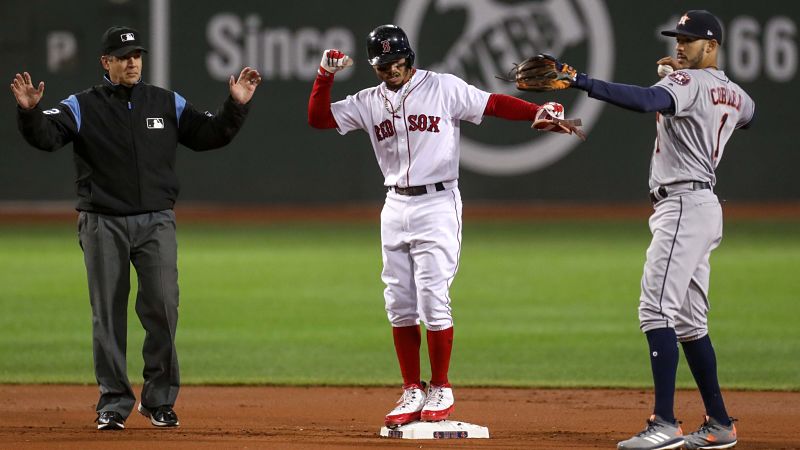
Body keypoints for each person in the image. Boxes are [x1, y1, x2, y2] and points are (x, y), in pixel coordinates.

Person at [308, 24, 577, 428]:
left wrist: (536, 112)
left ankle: (441, 386)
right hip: (394, 204)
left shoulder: (442, 87)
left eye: (398, 61)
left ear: (409, 57)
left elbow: (493, 104)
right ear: (373, 65)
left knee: (433, 296)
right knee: (399, 301)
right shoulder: (368, 101)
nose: (392, 69)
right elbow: (319, 120)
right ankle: (412, 388)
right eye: (384, 64)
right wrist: (324, 76)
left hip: (437, 202)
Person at [10, 26, 261, 430]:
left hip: (156, 221)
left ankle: (159, 400)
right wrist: (29, 112)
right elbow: (46, 137)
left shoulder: (165, 101)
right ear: (105, 62)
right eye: (123, 56)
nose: (132, 62)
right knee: (107, 315)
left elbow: (209, 134)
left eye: (136, 55)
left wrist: (235, 105)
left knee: (163, 306)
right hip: (102, 222)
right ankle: (113, 402)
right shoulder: (81, 105)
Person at [536, 10, 754, 450]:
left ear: (711, 47)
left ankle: (665, 423)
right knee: (690, 323)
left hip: (682, 208)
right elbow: (751, 114)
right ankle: (719, 424)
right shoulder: (735, 93)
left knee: (655, 312)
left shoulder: (686, 84)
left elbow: (643, 101)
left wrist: (580, 80)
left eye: (690, 41)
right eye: (678, 37)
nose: (680, 45)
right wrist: (687, 81)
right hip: (704, 205)